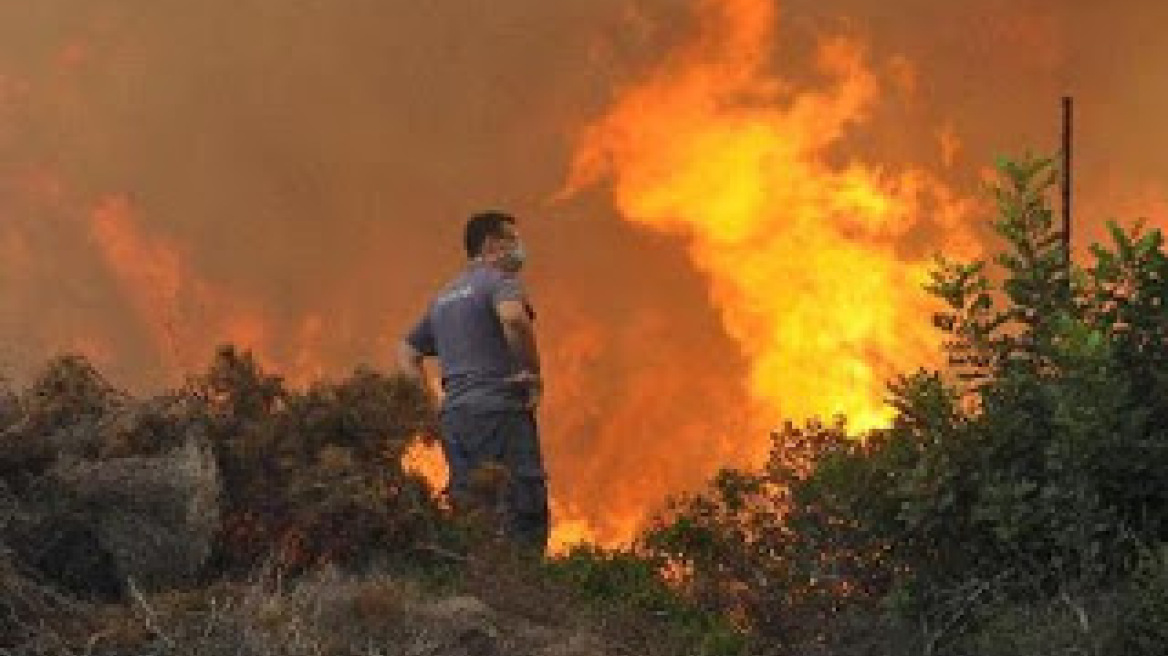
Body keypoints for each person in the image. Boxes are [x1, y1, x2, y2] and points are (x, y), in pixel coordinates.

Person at [397, 211, 548, 553]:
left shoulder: (443, 299)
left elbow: (406, 351)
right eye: (513, 240)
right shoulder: (497, 281)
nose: (519, 249)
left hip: (455, 418)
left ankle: (476, 587)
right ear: (493, 245)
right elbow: (513, 318)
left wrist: (427, 405)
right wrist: (532, 372)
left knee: (472, 509)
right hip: (499, 410)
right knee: (522, 505)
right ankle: (527, 591)